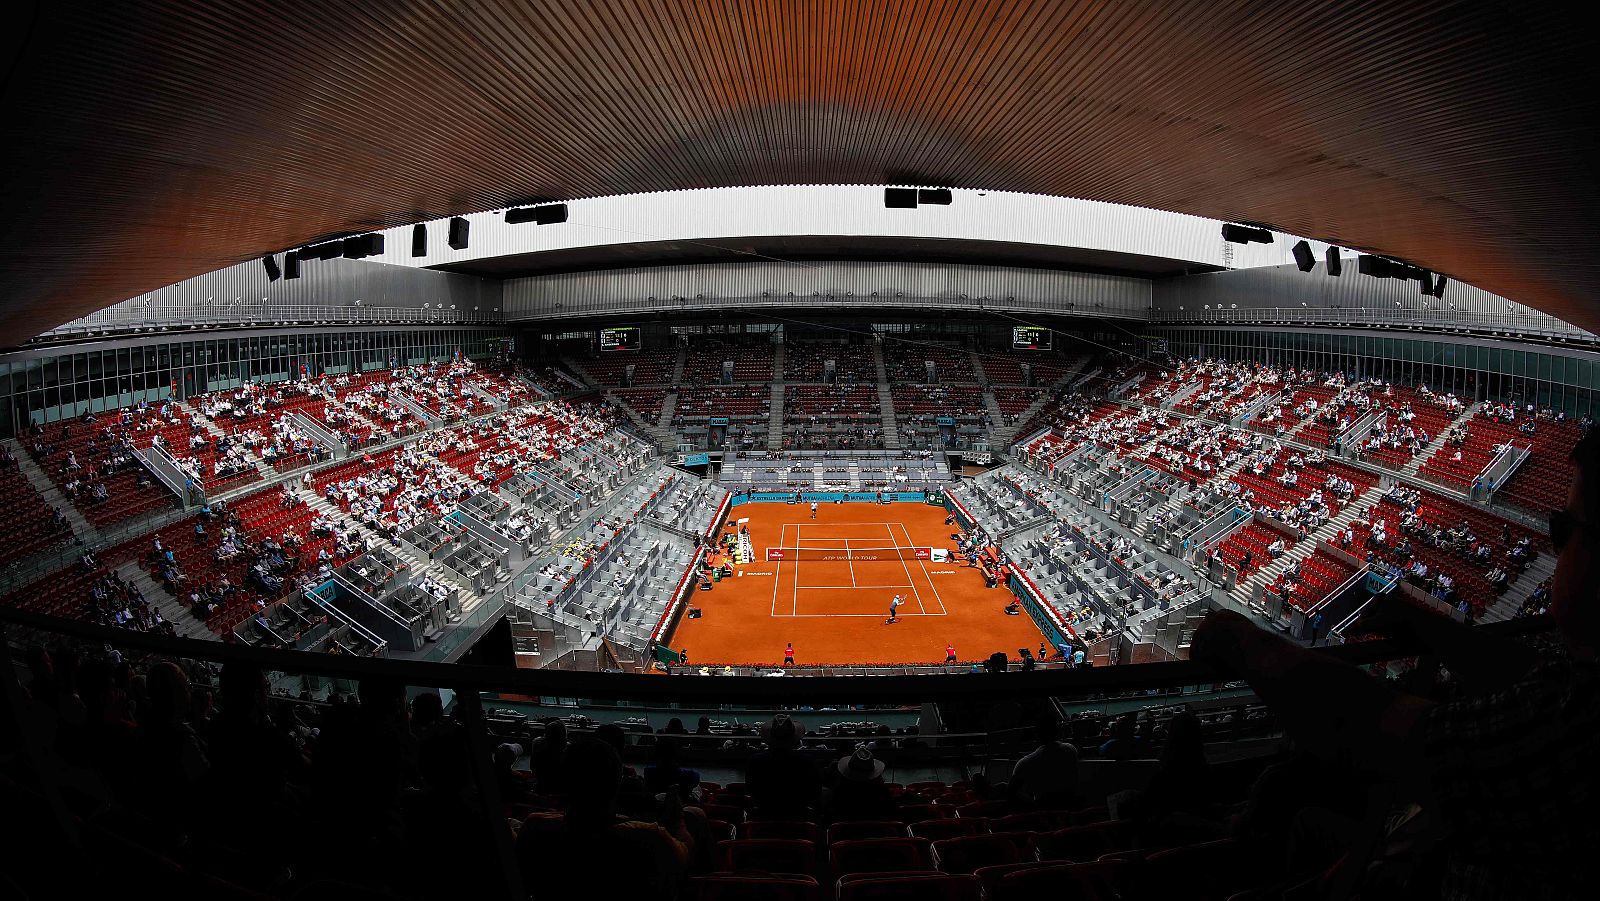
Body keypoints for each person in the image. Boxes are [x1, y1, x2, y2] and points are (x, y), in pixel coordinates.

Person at [1189, 429, 1600, 899]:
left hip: (1430, 877)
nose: (1554, 550)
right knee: (1307, 828)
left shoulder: (1575, 722)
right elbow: (1526, 668)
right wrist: (1430, 627)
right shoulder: (1574, 673)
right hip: (1421, 850)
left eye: (1563, 529)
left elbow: (1374, 730)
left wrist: (1243, 640)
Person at [1008, 717, 1080, 809]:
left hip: (1043, 812)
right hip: (1069, 807)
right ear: (1057, 731)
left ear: (1036, 734)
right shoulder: (1071, 750)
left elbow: (1011, 792)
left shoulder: (1025, 762)